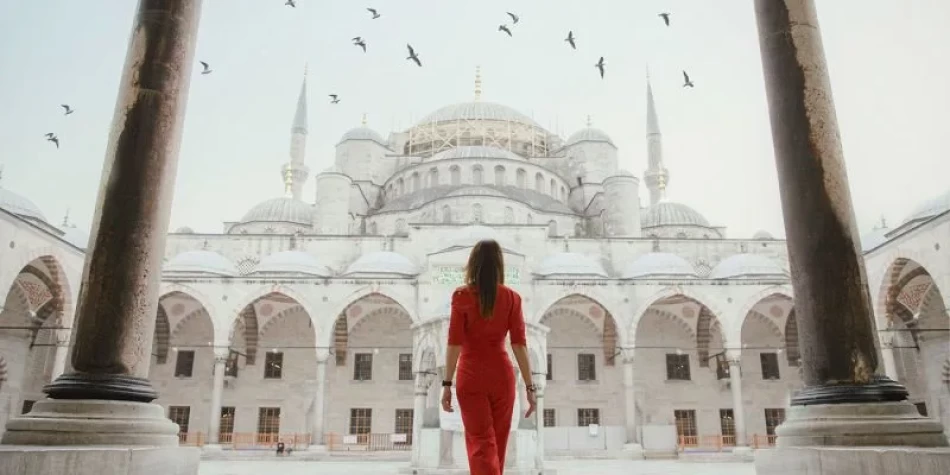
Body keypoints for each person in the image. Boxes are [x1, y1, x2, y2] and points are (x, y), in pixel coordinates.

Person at [441, 239, 537, 475]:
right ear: (499, 265)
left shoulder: (461, 296)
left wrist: (446, 383)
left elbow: (454, 342)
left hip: (471, 376)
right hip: (502, 377)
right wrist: (529, 386)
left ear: (473, 264)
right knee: (498, 445)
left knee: (481, 444)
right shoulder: (512, 298)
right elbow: (519, 344)